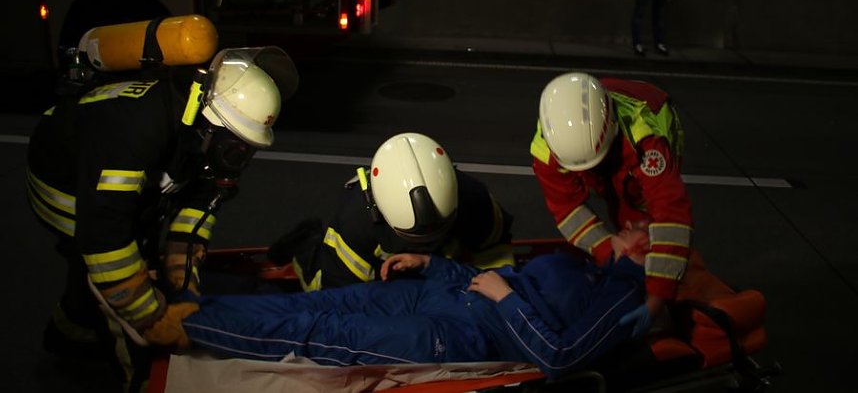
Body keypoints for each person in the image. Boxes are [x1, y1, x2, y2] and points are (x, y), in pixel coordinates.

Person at [27, 45, 299, 390]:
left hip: (107, 183)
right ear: (208, 124)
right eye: (234, 148)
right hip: (63, 188)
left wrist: (181, 265)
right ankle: (137, 377)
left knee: (106, 266)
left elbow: (200, 198)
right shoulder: (136, 127)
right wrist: (151, 317)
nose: (238, 159)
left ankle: (69, 332)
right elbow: (104, 238)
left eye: (246, 149)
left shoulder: (206, 123)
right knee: (118, 275)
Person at [173, 225, 651, 382]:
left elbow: (560, 357)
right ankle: (193, 304)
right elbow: (488, 278)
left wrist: (506, 299)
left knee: (323, 332)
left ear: (652, 250)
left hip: (463, 336)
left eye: (642, 226)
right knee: (324, 304)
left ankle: (187, 328)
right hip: (440, 292)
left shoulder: (624, 297)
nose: (629, 223)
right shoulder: (585, 264)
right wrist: (430, 263)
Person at [530, 72, 692, 339]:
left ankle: (664, 300)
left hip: (646, 130)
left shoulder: (646, 141)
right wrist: (611, 252)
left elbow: (671, 218)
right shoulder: (549, 149)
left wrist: (656, 301)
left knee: (640, 223)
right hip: (600, 140)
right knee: (630, 233)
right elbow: (567, 211)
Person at [268, 132, 515, 291]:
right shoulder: (356, 220)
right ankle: (306, 244)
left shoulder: (474, 198)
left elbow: (497, 252)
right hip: (371, 263)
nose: (423, 245)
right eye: (414, 239)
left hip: (442, 260)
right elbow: (341, 293)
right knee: (317, 285)